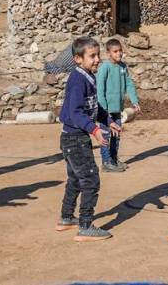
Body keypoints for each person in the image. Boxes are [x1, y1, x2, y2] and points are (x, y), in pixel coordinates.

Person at [57, 36, 120, 242]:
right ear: (77, 59)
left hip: (74, 138)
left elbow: (94, 107)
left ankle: (66, 218)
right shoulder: (77, 80)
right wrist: (94, 130)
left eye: (98, 55)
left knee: (75, 179)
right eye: (92, 56)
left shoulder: (88, 77)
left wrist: (108, 120)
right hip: (74, 139)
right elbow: (75, 113)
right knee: (91, 179)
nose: (97, 60)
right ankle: (85, 226)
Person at [96, 38, 141, 172]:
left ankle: (114, 160)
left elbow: (129, 84)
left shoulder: (122, 67)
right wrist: (104, 110)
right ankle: (106, 162)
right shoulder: (105, 67)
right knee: (105, 136)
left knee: (116, 135)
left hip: (118, 110)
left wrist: (134, 101)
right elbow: (100, 89)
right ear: (108, 53)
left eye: (120, 51)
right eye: (115, 51)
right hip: (106, 111)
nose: (119, 54)